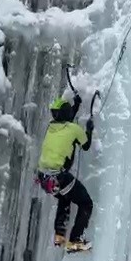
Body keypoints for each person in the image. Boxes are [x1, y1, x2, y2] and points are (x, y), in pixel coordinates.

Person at [37, 94, 94, 252]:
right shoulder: (74, 129)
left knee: (64, 197)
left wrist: (76, 105)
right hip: (59, 178)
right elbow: (86, 145)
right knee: (86, 203)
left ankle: (59, 236)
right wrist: (89, 129)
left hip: (43, 179)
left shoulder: (51, 128)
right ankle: (76, 240)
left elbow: (65, 121)